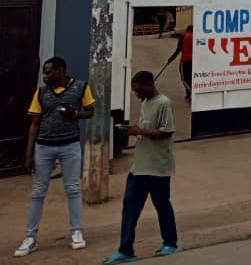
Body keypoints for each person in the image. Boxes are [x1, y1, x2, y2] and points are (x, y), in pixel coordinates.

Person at [14, 57, 94, 258]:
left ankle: (76, 231)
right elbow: (34, 123)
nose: (45, 76)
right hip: (44, 146)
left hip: (70, 145)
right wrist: (29, 153)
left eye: (49, 72)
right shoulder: (41, 92)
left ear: (60, 71)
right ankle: (30, 237)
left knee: (73, 189)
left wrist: (74, 114)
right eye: (44, 72)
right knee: (38, 192)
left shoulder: (81, 87)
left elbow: (89, 112)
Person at [105, 71, 180, 263]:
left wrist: (139, 130)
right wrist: (133, 130)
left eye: (138, 90)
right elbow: (146, 128)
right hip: (140, 167)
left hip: (158, 167)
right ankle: (125, 249)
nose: (136, 94)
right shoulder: (145, 103)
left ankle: (171, 243)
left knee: (162, 206)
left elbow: (166, 132)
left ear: (149, 84)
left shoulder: (164, 103)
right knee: (129, 208)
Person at [166, 26, 194, 102]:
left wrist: (171, 58)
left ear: (187, 30)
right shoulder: (195, 36)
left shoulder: (184, 36)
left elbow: (178, 49)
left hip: (185, 60)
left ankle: (192, 93)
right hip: (194, 61)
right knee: (191, 78)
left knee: (184, 79)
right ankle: (189, 95)